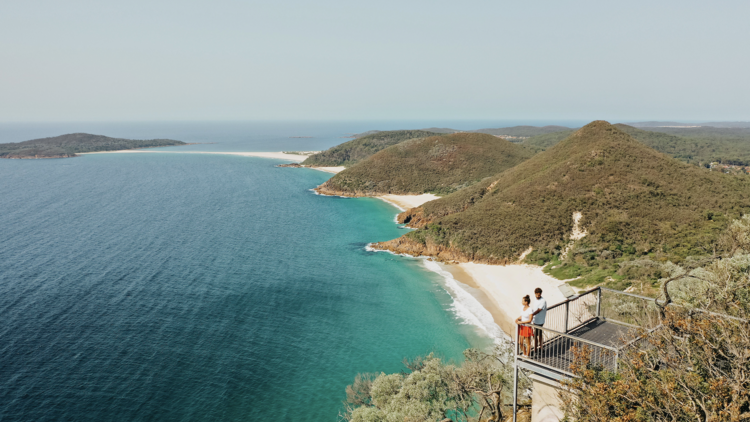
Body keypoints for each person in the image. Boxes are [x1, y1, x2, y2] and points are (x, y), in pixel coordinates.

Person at [530, 287, 547, 353]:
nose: (538, 296)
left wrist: (532, 314)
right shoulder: (535, 299)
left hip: (540, 320)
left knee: (538, 334)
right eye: (537, 294)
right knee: (535, 334)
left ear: (540, 294)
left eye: (539, 294)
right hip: (535, 320)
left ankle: (540, 347)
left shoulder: (543, 301)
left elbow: (539, 309)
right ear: (535, 294)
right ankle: (536, 347)